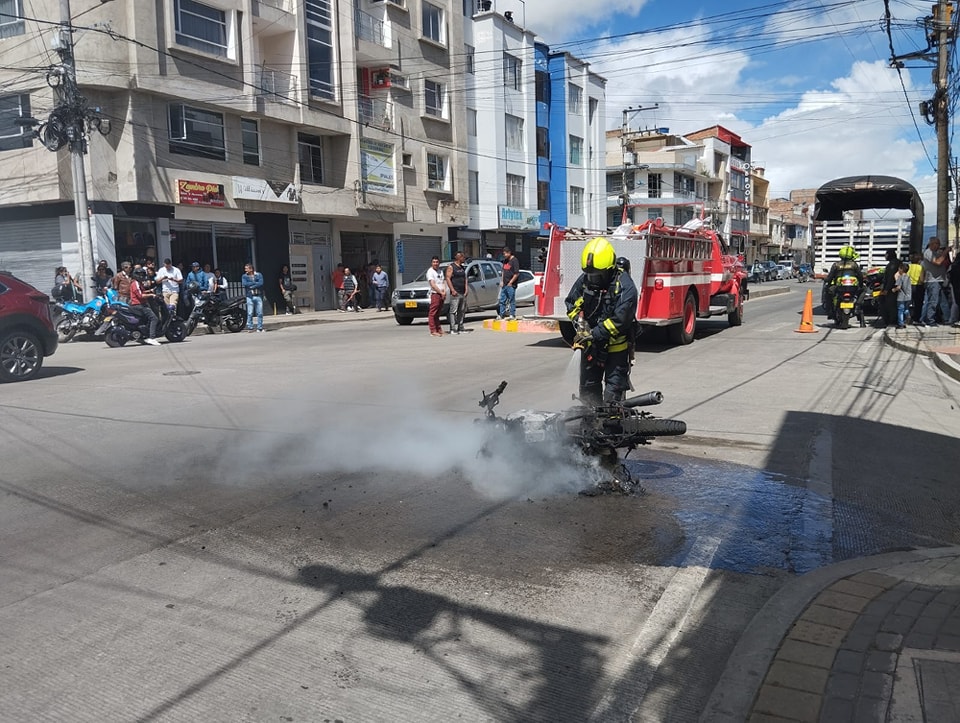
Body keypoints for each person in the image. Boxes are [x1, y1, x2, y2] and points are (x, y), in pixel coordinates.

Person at [564, 236, 638, 405]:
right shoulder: (585, 280)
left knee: (613, 394)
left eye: (597, 276)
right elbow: (571, 304)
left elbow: (620, 320)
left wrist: (593, 334)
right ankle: (589, 425)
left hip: (616, 349)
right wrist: (581, 326)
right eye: (589, 275)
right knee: (588, 392)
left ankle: (613, 427)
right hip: (592, 348)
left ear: (609, 270)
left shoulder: (625, 287)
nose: (592, 280)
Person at [823, 245, 863, 320]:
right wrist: (861, 284)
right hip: (853, 288)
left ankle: (830, 311)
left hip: (839, 288)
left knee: (827, 293)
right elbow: (860, 276)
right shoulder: (854, 264)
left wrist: (827, 283)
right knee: (864, 289)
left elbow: (830, 277)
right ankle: (858, 305)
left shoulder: (836, 265)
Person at [919, 237, 950, 326]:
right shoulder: (928, 253)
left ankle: (947, 318)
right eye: (937, 244)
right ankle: (930, 320)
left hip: (939, 280)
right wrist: (945, 252)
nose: (939, 246)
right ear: (932, 244)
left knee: (942, 301)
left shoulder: (935, 253)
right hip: (933, 281)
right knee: (933, 301)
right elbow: (937, 262)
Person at [129, 268, 161, 346]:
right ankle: (152, 338)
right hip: (139, 305)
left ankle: (144, 336)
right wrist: (151, 295)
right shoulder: (135, 283)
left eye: (143, 275)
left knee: (147, 320)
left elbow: (142, 292)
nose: (142, 276)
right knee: (154, 318)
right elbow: (140, 295)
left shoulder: (138, 283)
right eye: (140, 275)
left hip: (140, 304)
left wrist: (150, 291)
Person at [446, 252, 468, 334]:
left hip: (462, 292)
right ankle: (452, 328)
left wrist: (466, 289)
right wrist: (452, 290)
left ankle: (460, 327)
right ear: (459, 257)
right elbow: (448, 278)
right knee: (453, 311)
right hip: (455, 292)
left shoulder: (462, 267)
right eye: (463, 257)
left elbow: (465, 278)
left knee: (461, 311)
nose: (464, 258)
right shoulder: (451, 267)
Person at [496, 246, 520, 320]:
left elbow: (516, 273)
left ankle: (512, 314)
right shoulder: (505, 261)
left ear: (509, 253)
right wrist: (502, 281)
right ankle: (501, 314)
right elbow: (503, 271)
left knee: (511, 300)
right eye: (503, 254)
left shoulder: (514, 261)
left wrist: (511, 282)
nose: (504, 255)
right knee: (502, 300)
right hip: (504, 284)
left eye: (505, 254)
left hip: (511, 285)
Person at [426, 255, 446, 337]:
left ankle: (439, 329)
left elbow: (443, 282)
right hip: (435, 294)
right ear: (431, 263)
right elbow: (433, 284)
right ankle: (433, 330)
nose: (435, 263)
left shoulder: (440, 271)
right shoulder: (430, 272)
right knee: (433, 313)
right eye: (434, 262)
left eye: (437, 262)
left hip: (441, 294)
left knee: (438, 313)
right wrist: (440, 292)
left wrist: (444, 291)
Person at [879, 248, 900, 328]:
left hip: (892, 288)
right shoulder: (896, 263)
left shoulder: (892, 265)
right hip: (896, 287)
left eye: (886, 254)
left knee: (890, 305)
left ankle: (891, 321)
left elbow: (891, 278)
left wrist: (886, 290)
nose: (885, 256)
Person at [242, 263, 264, 332]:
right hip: (249, 296)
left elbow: (261, 283)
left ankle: (259, 327)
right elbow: (245, 284)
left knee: (259, 312)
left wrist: (252, 286)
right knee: (250, 312)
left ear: (251, 269)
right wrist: (255, 283)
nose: (245, 270)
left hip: (258, 295)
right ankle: (250, 327)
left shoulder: (258, 275)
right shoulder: (244, 276)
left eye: (246, 268)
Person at [907, 253, 924, 324]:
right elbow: (922, 279)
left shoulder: (908, 266)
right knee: (918, 304)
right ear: (919, 260)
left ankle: (907, 317)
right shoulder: (921, 267)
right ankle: (916, 319)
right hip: (918, 286)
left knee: (907, 303)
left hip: (908, 286)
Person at [895, 262, 912, 329]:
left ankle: (900, 324)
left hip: (901, 297)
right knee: (906, 308)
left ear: (901, 269)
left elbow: (898, 287)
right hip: (908, 296)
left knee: (900, 310)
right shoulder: (908, 277)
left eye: (899, 268)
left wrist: (894, 289)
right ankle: (908, 315)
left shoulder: (900, 277)